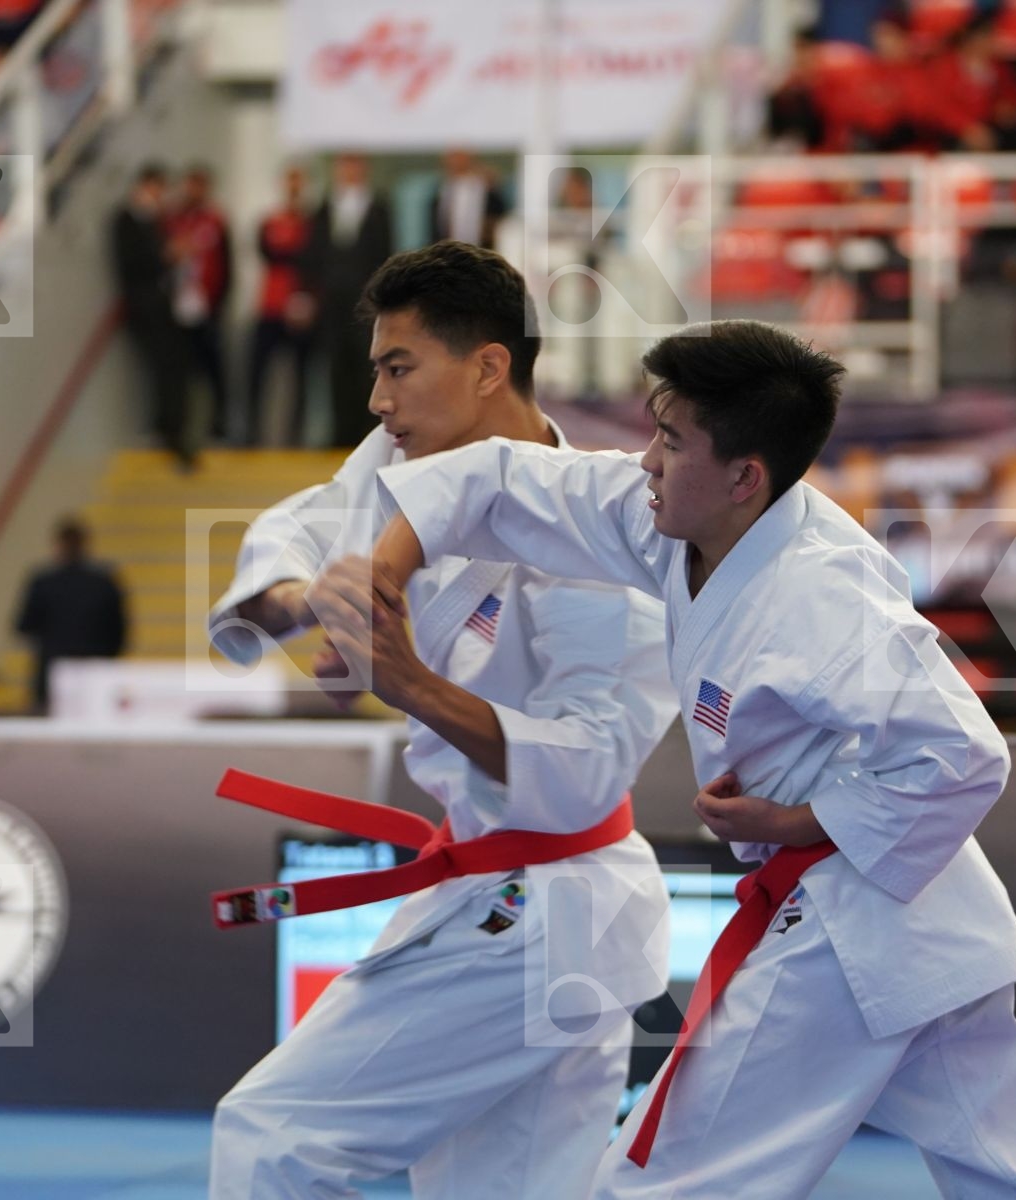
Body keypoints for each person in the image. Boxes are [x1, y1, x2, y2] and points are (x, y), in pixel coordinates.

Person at [359, 320, 1016, 1199]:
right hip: (925, 931)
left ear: (744, 476)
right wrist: (384, 568)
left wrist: (798, 820)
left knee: (661, 1179)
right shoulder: (684, 523)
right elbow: (512, 479)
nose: (646, 460)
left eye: (670, 442)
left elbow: (964, 754)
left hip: (849, 922)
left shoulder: (822, 593)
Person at [205, 241, 679, 1200]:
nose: (377, 400)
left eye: (398, 368)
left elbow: (587, 769)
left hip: (550, 902)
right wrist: (307, 600)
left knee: (273, 1135)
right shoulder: (396, 463)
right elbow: (292, 541)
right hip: (518, 899)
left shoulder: (602, 530)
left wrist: (407, 680)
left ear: (488, 366)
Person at [306, 152, 392, 448]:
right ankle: (340, 434)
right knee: (336, 368)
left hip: (366, 303)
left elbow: (384, 252)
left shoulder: (378, 207)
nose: (349, 170)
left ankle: (367, 434)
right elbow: (315, 253)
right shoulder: (324, 207)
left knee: (367, 365)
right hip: (333, 304)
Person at [112, 162, 194, 468]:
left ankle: (173, 431)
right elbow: (132, 265)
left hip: (165, 309)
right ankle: (166, 432)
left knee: (175, 370)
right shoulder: (128, 221)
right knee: (164, 371)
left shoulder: (157, 223)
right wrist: (165, 256)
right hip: (146, 311)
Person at [13, 517, 127, 713]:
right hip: (95, 674)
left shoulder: (43, 582)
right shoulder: (105, 582)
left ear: (58, 545)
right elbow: (119, 634)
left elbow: (24, 626)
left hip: (53, 673)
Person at [246, 165, 317, 445]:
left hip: (300, 310)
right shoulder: (270, 222)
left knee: (300, 378)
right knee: (257, 374)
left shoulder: (312, 224)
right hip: (270, 307)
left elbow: (308, 261)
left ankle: (294, 438)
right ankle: (252, 434)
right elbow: (271, 253)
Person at [169, 165, 234, 443]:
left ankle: (218, 427)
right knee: (180, 371)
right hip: (179, 307)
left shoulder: (215, 221)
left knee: (213, 369)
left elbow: (226, 266)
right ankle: (179, 429)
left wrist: (218, 304)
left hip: (208, 307)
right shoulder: (174, 221)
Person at [428, 148, 509, 248]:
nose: (455, 164)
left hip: (482, 248)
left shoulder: (485, 188)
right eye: (452, 161)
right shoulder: (441, 190)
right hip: (449, 250)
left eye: (459, 160)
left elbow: (499, 217)